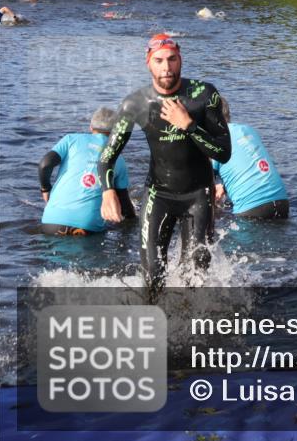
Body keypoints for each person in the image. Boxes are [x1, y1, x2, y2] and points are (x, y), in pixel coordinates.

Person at [99, 34, 231, 300]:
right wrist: (107, 191)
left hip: (198, 196)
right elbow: (107, 157)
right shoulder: (135, 104)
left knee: (195, 279)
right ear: (148, 63)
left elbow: (224, 153)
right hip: (158, 196)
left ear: (180, 59)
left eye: (172, 59)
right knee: (152, 281)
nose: (166, 67)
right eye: (158, 60)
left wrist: (189, 125)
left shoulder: (204, 95)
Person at [38, 108, 136, 236]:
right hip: (87, 228)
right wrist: (133, 222)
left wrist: (45, 189)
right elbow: (124, 204)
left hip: (50, 223)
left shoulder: (70, 140)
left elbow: (45, 164)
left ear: (91, 127)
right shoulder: (119, 159)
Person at [213, 98, 289, 219]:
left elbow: (201, 184)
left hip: (251, 209)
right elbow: (247, 166)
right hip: (282, 202)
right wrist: (223, 187)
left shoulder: (214, 140)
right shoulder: (248, 130)